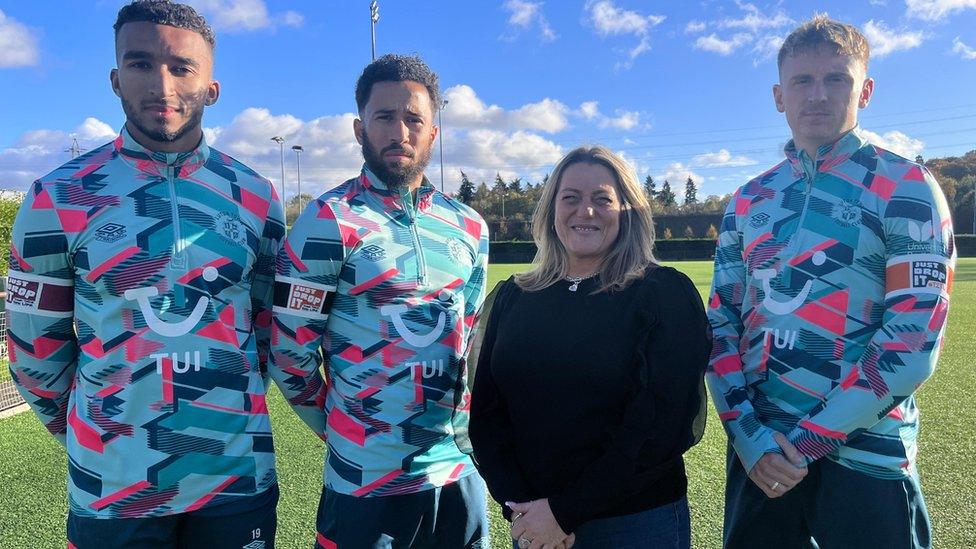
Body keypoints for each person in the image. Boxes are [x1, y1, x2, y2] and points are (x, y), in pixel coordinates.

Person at [6, 1, 285, 548]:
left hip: (235, 479)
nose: (162, 83)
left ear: (212, 87)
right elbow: (33, 350)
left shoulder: (256, 198)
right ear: (115, 79)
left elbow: (270, 331)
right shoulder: (56, 196)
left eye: (182, 67)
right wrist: (101, 434)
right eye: (140, 64)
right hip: (112, 489)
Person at [706, 14, 955, 549]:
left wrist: (805, 444)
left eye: (835, 79)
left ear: (864, 90)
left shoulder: (906, 185)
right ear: (779, 95)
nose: (817, 95)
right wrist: (751, 440)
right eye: (802, 80)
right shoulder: (748, 199)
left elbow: (912, 345)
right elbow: (720, 327)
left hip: (866, 457)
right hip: (761, 458)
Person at [269, 54, 490, 548]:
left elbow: (468, 341)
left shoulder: (470, 227)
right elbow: (289, 354)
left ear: (434, 132)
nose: (400, 132)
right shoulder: (328, 221)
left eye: (414, 119)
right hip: (363, 480)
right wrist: (348, 434)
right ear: (359, 127)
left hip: (455, 470)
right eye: (384, 117)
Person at [468, 146, 709, 549]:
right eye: (571, 198)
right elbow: (488, 413)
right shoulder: (514, 296)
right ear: (551, 210)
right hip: (534, 522)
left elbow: (660, 426)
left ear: (627, 211)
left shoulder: (662, 294)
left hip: (634, 523)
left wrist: (564, 512)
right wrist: (523, 507)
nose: (586, 211)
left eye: (602, 199)